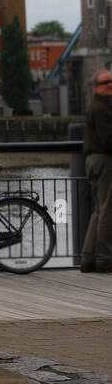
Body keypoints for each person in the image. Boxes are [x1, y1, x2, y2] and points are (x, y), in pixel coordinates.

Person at [81, 70, 112, 272]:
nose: (110, 84)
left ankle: (88, 258)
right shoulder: (101, 108)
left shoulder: (98, 106)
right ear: (96, 87)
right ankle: (104, 259)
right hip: (104, 161)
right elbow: (108, 140)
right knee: (108, 211)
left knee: (98, 211)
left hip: (94, 161)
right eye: (106, 82)